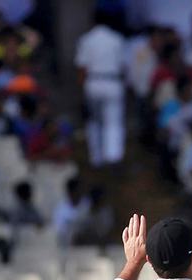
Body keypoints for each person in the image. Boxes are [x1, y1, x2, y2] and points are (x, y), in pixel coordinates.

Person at [75, 11, 127, 166]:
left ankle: (96, 157)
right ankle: (113, 156)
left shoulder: (86, 39)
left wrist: (81, 89)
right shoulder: (117, 39)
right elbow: (123, 66)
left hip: (93, 82)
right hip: (112, 81)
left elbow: (82, 67)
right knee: (113, 121)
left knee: (94, 121)